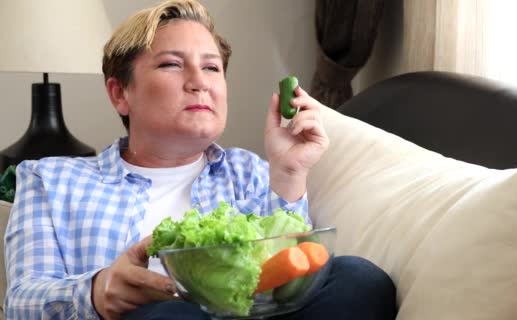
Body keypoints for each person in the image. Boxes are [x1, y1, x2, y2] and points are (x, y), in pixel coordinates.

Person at [3, 0, 396, 319]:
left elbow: (287, 288)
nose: (200, 81)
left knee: (359, 278)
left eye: (212, 67)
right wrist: (95, 292)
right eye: (172, 64)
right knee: (170, 316)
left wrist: (290, 171)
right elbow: (21, 301)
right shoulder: (49, 179)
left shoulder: (251, 173)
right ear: (120, 93)